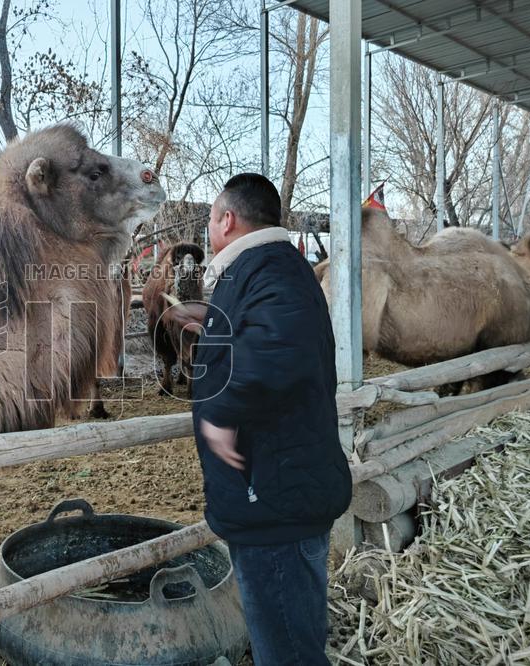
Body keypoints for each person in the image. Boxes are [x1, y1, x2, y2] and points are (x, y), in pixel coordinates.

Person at [167, 173, 351, 665]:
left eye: (210, 218)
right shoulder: (271, 269)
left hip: (274, 502)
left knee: (287, 649)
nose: (208, 229)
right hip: (277, 490)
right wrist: (213, 328)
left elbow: (277, 348)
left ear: (227, 220)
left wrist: (222, 413)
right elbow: (269, 333)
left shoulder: (266, 269)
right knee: (290, 633)